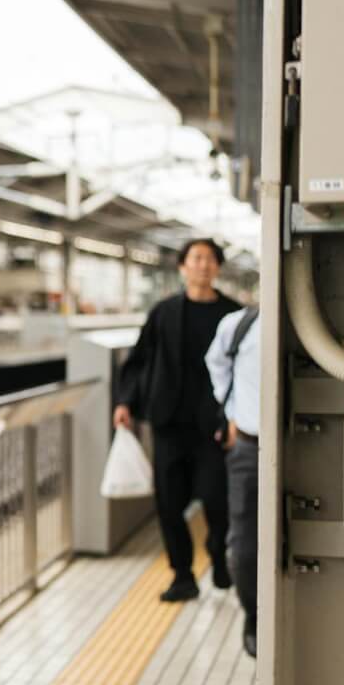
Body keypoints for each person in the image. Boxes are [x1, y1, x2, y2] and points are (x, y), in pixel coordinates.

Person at [113, 239, 241, 602]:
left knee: (218, 501)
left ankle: (218, 556)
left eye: (209, 259)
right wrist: (125, 401)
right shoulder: (164, 313)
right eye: (195, 259)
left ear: (217, 267)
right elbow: (139, 360)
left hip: (214, 427)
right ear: (183, 267)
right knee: (169, 504)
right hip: (168, 424)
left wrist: (237, 419)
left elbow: (247, 370)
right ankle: (182, 575)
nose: (202, 265)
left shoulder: (232, 315)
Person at [206, 305, 261, 657]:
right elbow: (217, 362)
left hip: (307, 446)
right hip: (249, 446)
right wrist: (231, 413)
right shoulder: (239, 324)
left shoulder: (315, 317)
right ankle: (254, 614)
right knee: (244, 542)